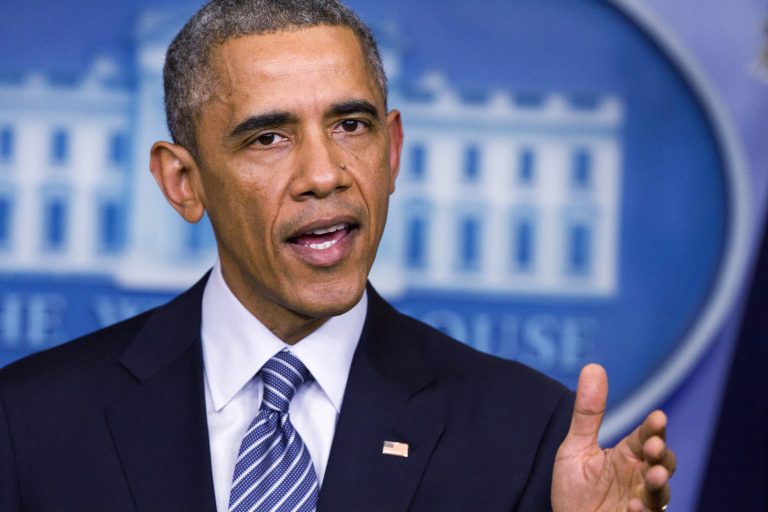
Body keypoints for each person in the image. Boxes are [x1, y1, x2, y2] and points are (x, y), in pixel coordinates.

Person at [0, 1, 675, 511]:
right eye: (268, 138)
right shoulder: (30, 424)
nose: (324, 174)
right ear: (183, 182)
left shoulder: (526, 433)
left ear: (392, 151)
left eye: (352, 126)